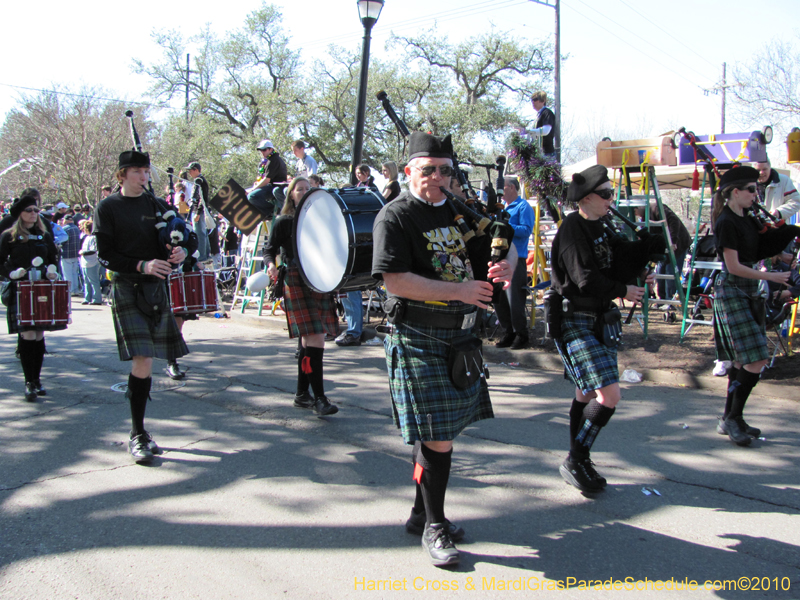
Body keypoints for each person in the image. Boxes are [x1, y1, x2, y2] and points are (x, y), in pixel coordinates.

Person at [371, 131, 516, 567]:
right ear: (408, 171)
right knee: (438, 437)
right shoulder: (395, 216)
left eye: (445, 170)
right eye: (428, 169)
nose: (437, 177)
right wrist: (460, 290)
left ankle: (421, 513)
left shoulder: (457, 210)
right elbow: (395, 281)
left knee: (435, 434)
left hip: (460, 337)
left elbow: (498, 243)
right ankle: (435, 526)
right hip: (419, 335)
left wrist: (505, 265)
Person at [549, 165, 663, 493]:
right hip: (575, 318)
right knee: (609, 395)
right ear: (586, 198)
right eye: (605, 194)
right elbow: (585, 278)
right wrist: (623, 290)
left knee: (585, 393)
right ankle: (576, 457)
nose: (611, 199)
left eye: (611, 193)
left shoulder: (603, 225)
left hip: (599, 318)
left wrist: (644, 254)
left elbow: (619, 259)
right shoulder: (573, 229)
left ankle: (580, 460)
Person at [94, 150, 189, 464]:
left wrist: (181, 253)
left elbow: (184, 239)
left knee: (146, 360)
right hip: (128, 286)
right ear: (122, 174)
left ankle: (141, 433)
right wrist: (141, 264)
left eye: (146, 171)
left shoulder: (158, 205)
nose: (143, 176)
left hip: (156, 290)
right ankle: (138, 434)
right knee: (143, 358)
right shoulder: (108, 207)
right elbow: (105, 255)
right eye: (136, 171)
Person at [710, 166, 800, 446]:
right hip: (732, 290)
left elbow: (757, 248)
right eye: (750, 190)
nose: (755, 194)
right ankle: (733, 417)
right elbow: (734, 266)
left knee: (741, 360)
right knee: (757, 359)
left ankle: (730, 418)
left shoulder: (747, 217)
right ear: (735, 192)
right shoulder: (726, 221)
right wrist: (771, 277)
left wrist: (783, 250)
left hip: (748, 291)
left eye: (756, 189)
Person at [263, 176, 340, 416]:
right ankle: (320, 399)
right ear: (292, 195)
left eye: (308, 188)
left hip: (320, 279)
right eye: (300, 189)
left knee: (308, 341)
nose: (305, 191)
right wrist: (271, 265)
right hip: (296, 278)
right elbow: (269, 249)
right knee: (315, 337)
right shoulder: (284, 221)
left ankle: (301, 394)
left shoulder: (321, 221)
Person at [0, 195, 63, 401]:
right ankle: (29, 382)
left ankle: (36, 380)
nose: (34, 214)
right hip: (21, 288)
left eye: (36, 210)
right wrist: (11, 273)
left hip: (42, 288)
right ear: (20, 214)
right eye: (29, 210)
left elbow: (52, 257)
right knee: (28, 335)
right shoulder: (8, 236)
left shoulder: (44, 235)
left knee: (38, 336)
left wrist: (52, 270)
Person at [493, 177, 535, 349]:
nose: (500, 192)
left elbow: (526, 231)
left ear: (511, 187)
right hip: (498, 258)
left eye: (502, 188)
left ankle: (521, 335)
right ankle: (508, 332)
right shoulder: (500, 207)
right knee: (499, 299)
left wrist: (506, 226)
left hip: (516, 260)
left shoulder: (523, 207)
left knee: (514, 300)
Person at [634, 201, 691, 302]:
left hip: (678, 244)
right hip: (662, 246)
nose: (635, 214)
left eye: (635, 211)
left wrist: (673, 240)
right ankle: (662, 299)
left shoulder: (657, 208)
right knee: (660, 272)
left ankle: (670, 300)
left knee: (670, 271)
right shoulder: (644, 217)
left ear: (639, 207)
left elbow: (674, 221)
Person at [246, 140, 288, 219]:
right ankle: (268, 213)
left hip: (276, 187)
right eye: (261, 150)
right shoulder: (269, 160)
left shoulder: (274, 160)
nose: (262, 152)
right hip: (271, 186)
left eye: (264, 150)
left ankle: (271, 211)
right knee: (247, 192)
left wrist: (252, 189)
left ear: (270, 149)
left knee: (252, 196)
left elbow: (267, 180)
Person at [753, 157, 800, 221]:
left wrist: (779, 212)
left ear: (770, 168)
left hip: (778, 225)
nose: (761, 172)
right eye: (758, 170)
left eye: (764, 169)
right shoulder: (749, 184)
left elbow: (796, 202)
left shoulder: (784, 181)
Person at [186, 161, 210, 262]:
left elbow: (202, 198)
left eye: (190, 171)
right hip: (200, 210)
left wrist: (198, 212)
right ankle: (206, 255)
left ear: (196, 170)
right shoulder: (200, 180)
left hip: (198, 211)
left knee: (199, 233)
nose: (189, 173)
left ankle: (201, 256)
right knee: (203, 233)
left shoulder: (199, 181)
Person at [78, 219, 103, 305]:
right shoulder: (87, 237)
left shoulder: (94, 238)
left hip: (92, 262)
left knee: (94, 281)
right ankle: (87, 298)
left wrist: (83, 252)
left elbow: (93, 250)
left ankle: (97, 299)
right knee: (86, 282)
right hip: (85, 263)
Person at [60, 214, 83, 296]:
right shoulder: (77, 228)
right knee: (74, 273)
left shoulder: (64, 229)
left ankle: (69, 290)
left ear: (65, 220)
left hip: (66, 254)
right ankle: (75, 290)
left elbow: (62, 242)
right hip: (76, 254)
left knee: (67, 274)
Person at [531, 91, 558, 160]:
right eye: (532, 100)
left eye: (535, 99)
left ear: (543, 100)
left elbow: (546, 131)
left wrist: (528, 131)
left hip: (547, 154)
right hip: (537, 153)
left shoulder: (547, 113)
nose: (533, 102)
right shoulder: (538, 115)